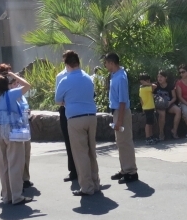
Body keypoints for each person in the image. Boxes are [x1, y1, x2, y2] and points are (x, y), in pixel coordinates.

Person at [55, 50, 100, 196]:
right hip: (91, 116)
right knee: (91, 151)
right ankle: (96, 182)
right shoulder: (88, 78)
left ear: (67, 64)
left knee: (80, 154)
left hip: (75, 118)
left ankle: (87, 187)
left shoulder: (65, 80)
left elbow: (58, 100)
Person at [0, 69, 33, 206]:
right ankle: (17, 196)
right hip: (12, 130)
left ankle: (6, 195)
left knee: (3, 164)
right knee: (15, 163)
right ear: (7, 84)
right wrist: (13, 75)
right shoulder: (11, 94)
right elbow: (27, 85)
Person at [105, 53, 138, 183]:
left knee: (125, 142)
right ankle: (124, 169)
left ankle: (131, 171)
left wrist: (119, 120)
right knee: (120, 142)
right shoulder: (115, 75)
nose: (106, 66)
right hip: (117, 111)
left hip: (121, 111)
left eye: (106, 63)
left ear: (112, 63)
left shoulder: (121, 77)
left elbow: (123, 101)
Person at [56, 54, 78, 182]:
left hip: (77, 110)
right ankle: (73, 170)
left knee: (80, 142)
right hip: (65, 110)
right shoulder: (61, 76)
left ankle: (84, 170)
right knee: (68, 141)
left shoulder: (81, 75)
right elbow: (58, 98)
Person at [154, 71, 181, 140]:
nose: (159, 78)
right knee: (162, 114)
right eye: (158, 77)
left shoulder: (170, 86)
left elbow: (174, 97)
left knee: (178, 110)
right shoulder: (155, 86)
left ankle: (174, 131)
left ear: (165, 78)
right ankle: (161, 132)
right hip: (159, 105)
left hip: (169, 103)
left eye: (161, 77)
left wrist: (170, 102)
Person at [138, 74, 157, 144]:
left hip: (149, 107)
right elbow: (155, 86)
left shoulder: (141, 88)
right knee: (148, 124)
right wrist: (147, 83)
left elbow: (141, 99)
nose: (149, 82)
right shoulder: (145, 88)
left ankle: (151, 136)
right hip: (148, 108)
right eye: (147, 80)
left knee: (151, 123)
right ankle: (148, 138)